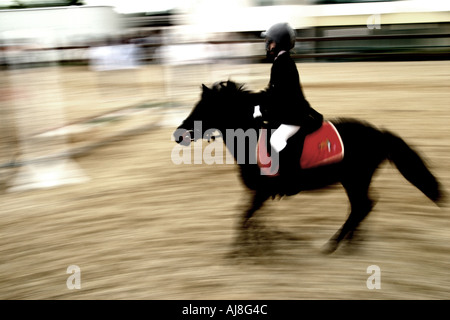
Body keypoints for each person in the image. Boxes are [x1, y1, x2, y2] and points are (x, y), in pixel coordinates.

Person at [254, 22, 323, 180]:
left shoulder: (283, 64)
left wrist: (261, 111)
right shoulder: (281, 62)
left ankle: (291, 176)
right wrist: (258, 103)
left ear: (277, 43)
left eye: (269, 41)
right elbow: (273, 92)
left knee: (276, 139)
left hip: (293, 116)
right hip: (290, 112)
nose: (267, 45)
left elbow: (279, 97)